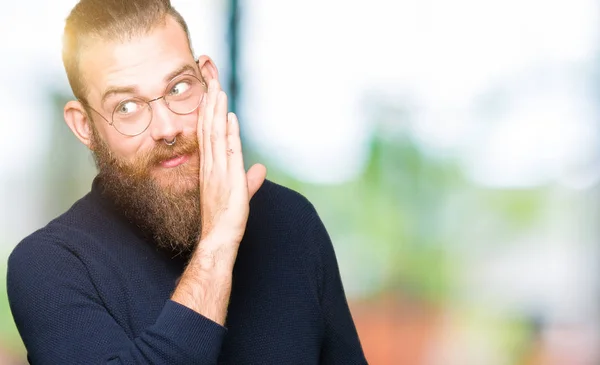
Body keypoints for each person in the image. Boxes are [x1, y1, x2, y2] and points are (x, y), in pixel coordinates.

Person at [5, 0, 367, 364]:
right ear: (85, 126)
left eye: (178, 88)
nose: (166, 128)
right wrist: (218, 243)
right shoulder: (48, 266)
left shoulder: (290, 222)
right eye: (126, 107)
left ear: (207, 79)